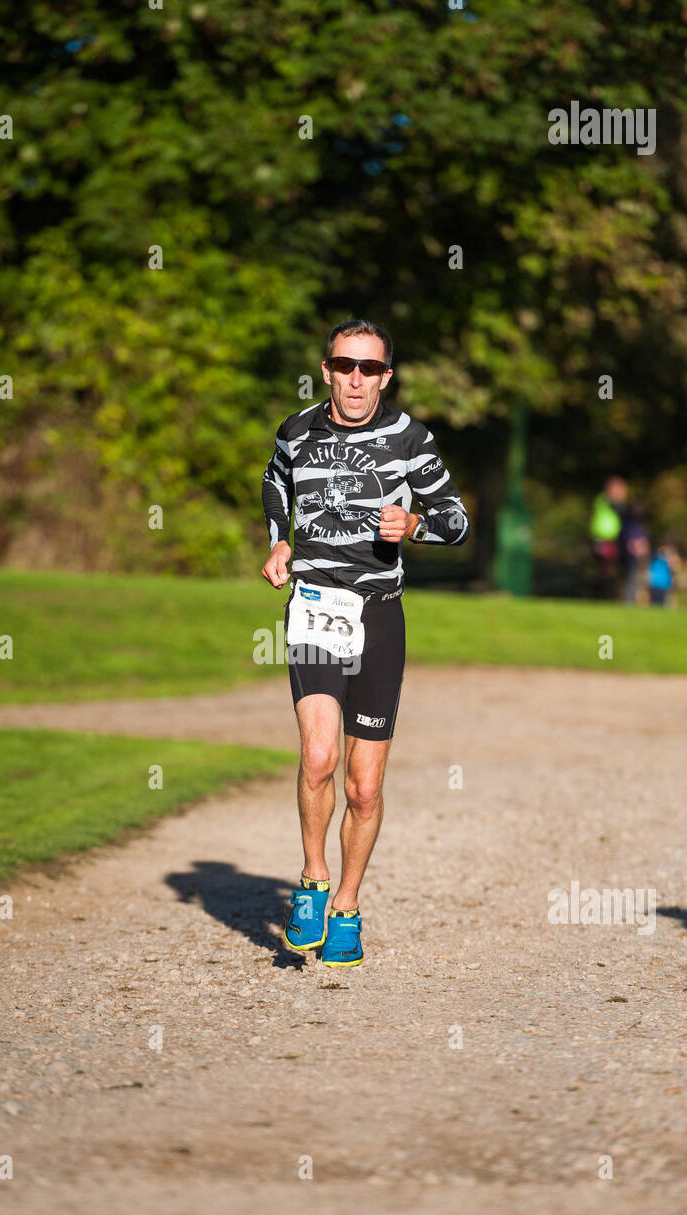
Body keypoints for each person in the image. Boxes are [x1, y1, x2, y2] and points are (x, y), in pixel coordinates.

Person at [261, 319, 469, 967]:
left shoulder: (410, 439)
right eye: (344, 365)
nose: (356, 379)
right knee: (318, 756)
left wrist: (413, 526)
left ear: (386, 375)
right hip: (316, 607)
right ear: (325, 369)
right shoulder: (297, 430)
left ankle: (348, 905)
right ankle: (313, 883)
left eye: (369, 368)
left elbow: (456, 522)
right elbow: (274, 481)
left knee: (363, 787)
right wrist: (276, 539)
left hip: (378, 617)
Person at [589, 476, 627, 599]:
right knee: (605, 568)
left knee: (607, 569)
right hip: (604, 538)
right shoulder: (606, 500)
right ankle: (603, 595)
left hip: (611, 538)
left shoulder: (603, 500)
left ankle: (607, 594)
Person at [619, 499, 650, 604]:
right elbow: (630, 542)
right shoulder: (629, 521)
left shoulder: (637, 522)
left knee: (636, 581)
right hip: (631, 556)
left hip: (638, 557)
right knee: (631, 580)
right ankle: (629, 602)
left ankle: (631, 601)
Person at [648, 536, 681, 607]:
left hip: (665, 584)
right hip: (654, 583)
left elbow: (677, 568)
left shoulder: (671, 556)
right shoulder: (655, 554)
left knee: (664, 604)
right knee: (654, 604)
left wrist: (670, 560)